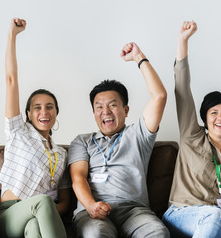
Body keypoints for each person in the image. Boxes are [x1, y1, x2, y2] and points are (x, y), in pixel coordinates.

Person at [162, 21, 221, 238]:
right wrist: (183, 41)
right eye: (213, 112)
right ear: (205, 119)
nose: (220, 118)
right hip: (182, 213)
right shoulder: (191, 136)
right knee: (213, 216)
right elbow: (182, 90)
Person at [68, 42, 169, 238]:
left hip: (134, 211)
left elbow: (159, 96)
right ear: (94, 112)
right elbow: (77, 177)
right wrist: (90, 205)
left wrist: (139, 57)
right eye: (99, 107)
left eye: (113, 105)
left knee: (158, 232)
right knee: (96, 235)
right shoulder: (82, 141)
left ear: (126, 110)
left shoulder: (138, 134)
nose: (105, 112)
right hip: (92, 211)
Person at [0, 18, 69, 238]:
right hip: (7, 216)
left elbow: (64, 201)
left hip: (37, 215)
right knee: (42, 202)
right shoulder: (18, 132)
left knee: (35, 228)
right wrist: (12, 35)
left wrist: (49, 212)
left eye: (49, 107)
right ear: (28, 114)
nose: (44, 112)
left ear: (56, 113)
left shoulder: (61, 154)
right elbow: (11, 80)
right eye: (37, 107)